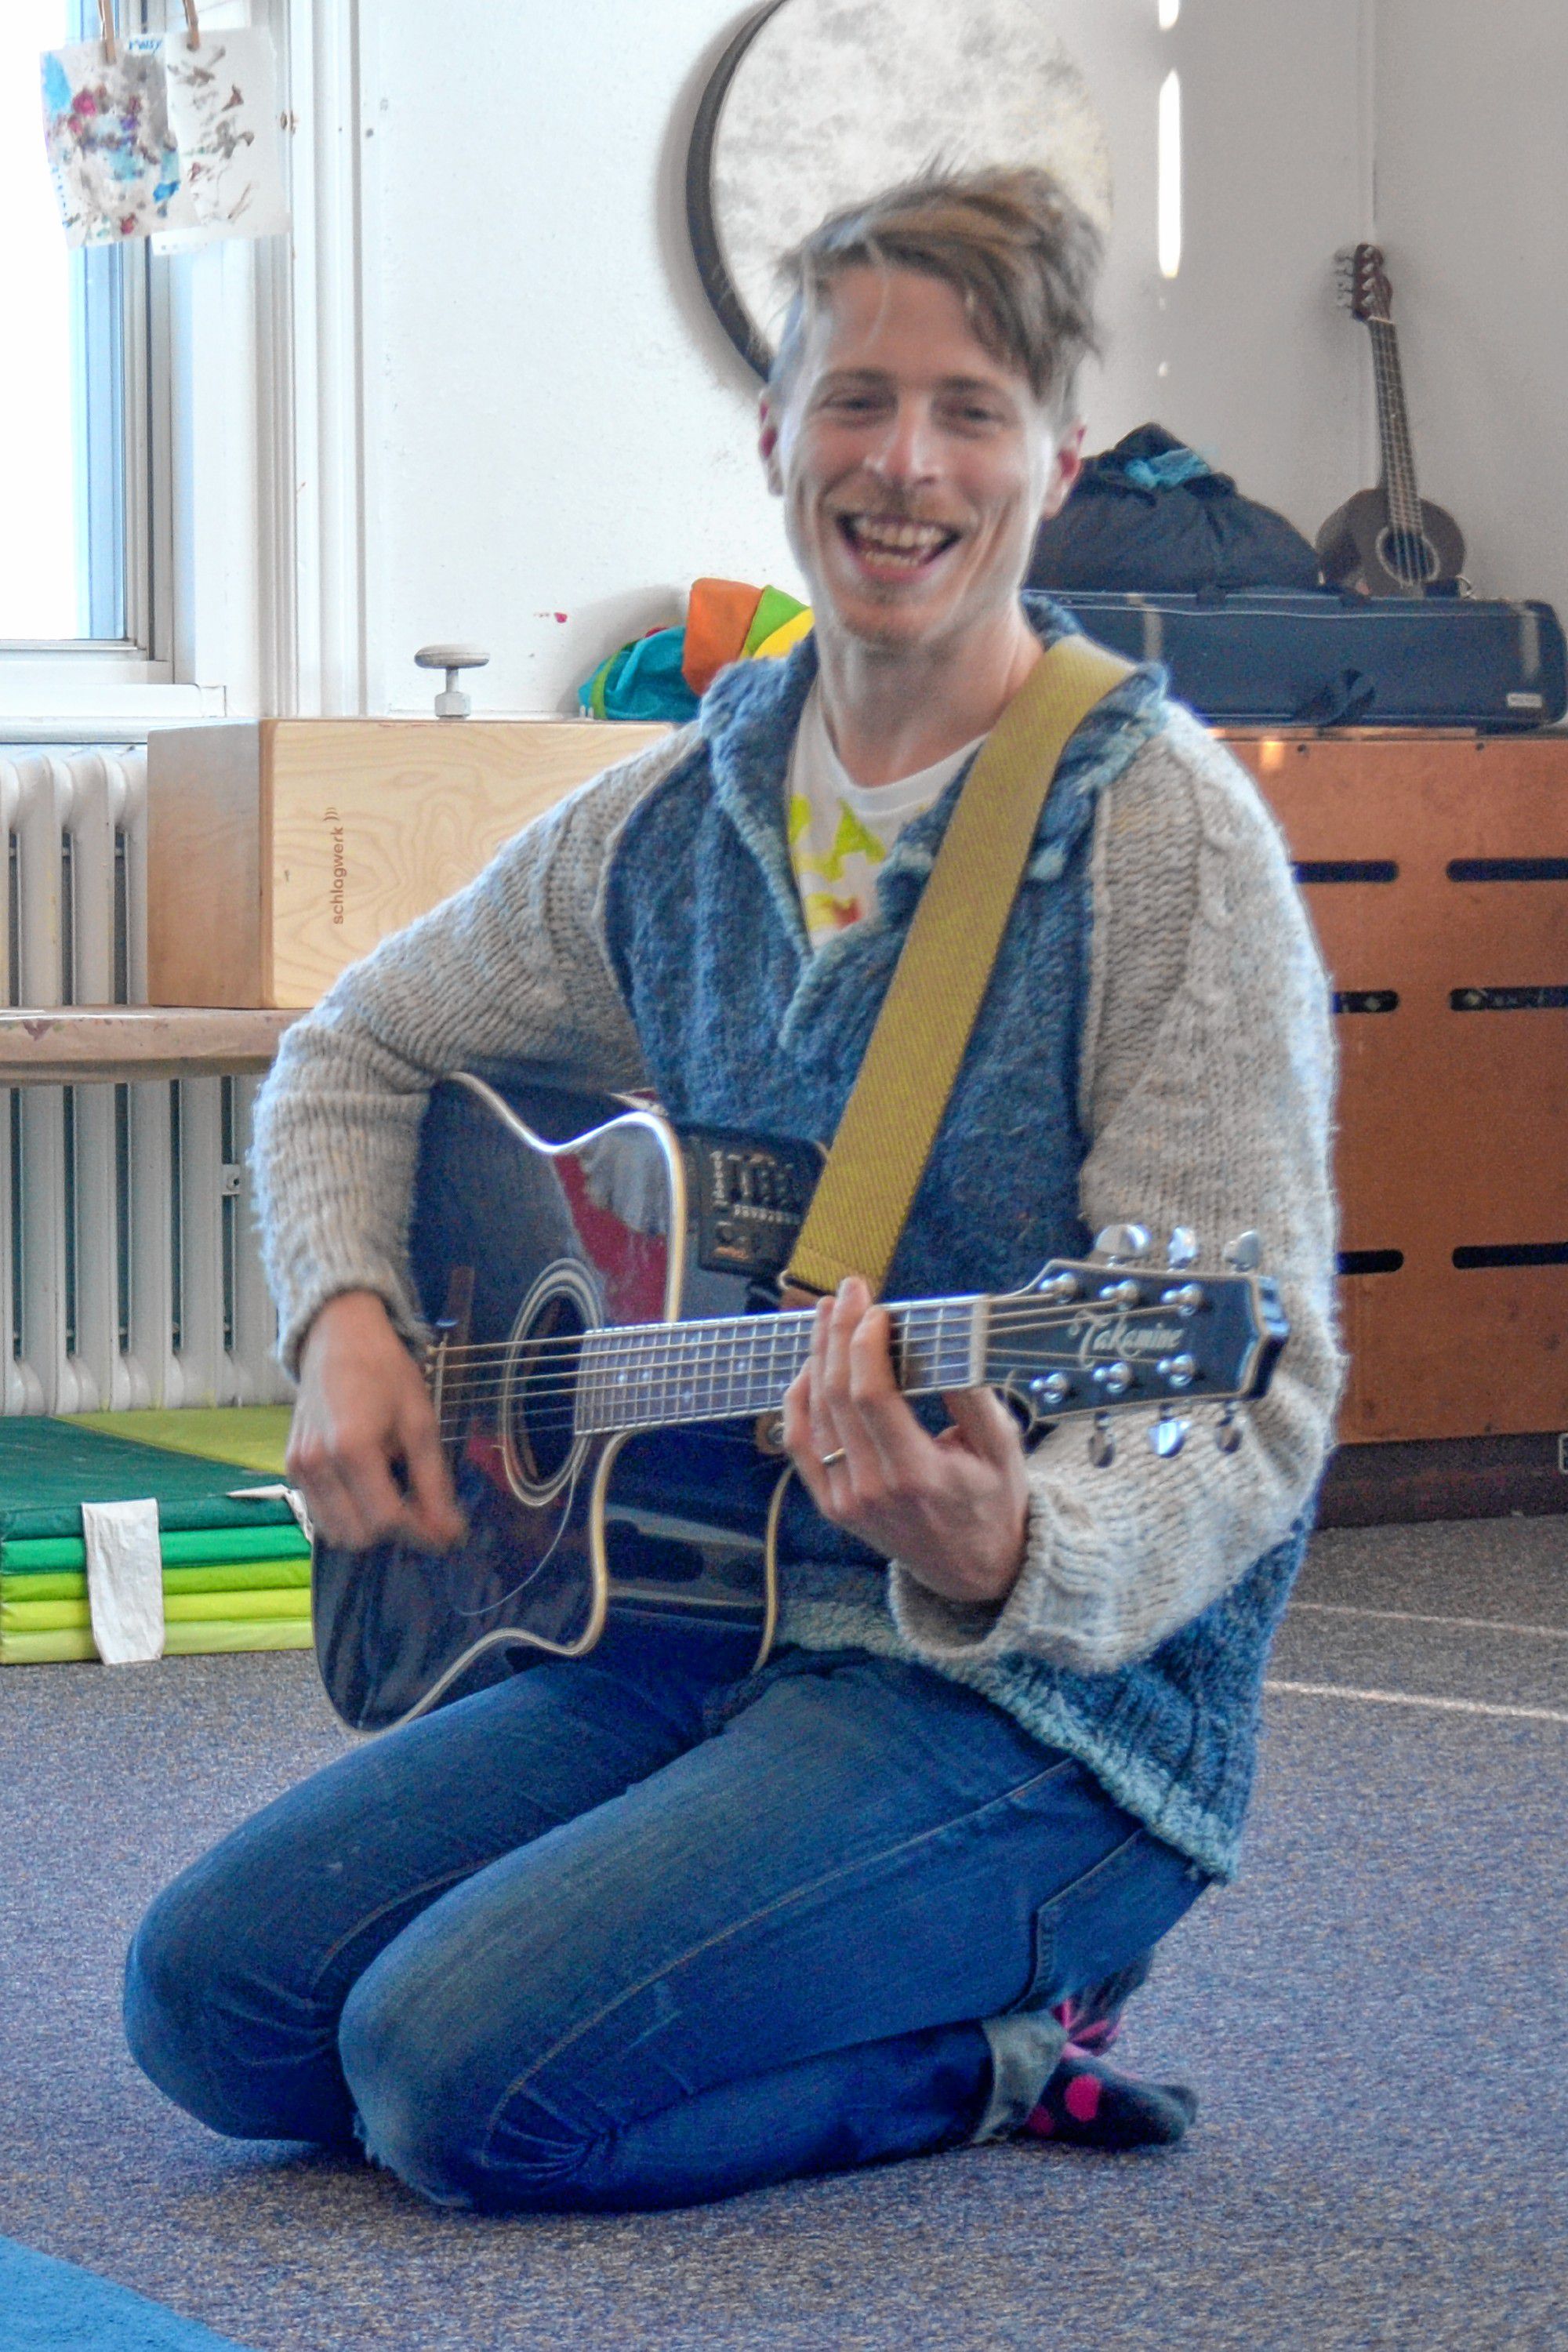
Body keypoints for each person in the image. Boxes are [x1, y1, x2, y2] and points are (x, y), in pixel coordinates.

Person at [123, 169, 1340, 2213]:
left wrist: (1011, 1533)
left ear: (1050, 457)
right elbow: (352, 1048)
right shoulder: (682, 811)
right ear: (778, 438)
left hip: (1031, 1702)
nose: (906, 461)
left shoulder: (1165, 842)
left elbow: (1243, 1403)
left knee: (450, 2080)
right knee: (210, 2007)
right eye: (855, 398)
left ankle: (999, 2052)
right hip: (690, 1615)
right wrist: (343, 1319)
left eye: (969, 409)